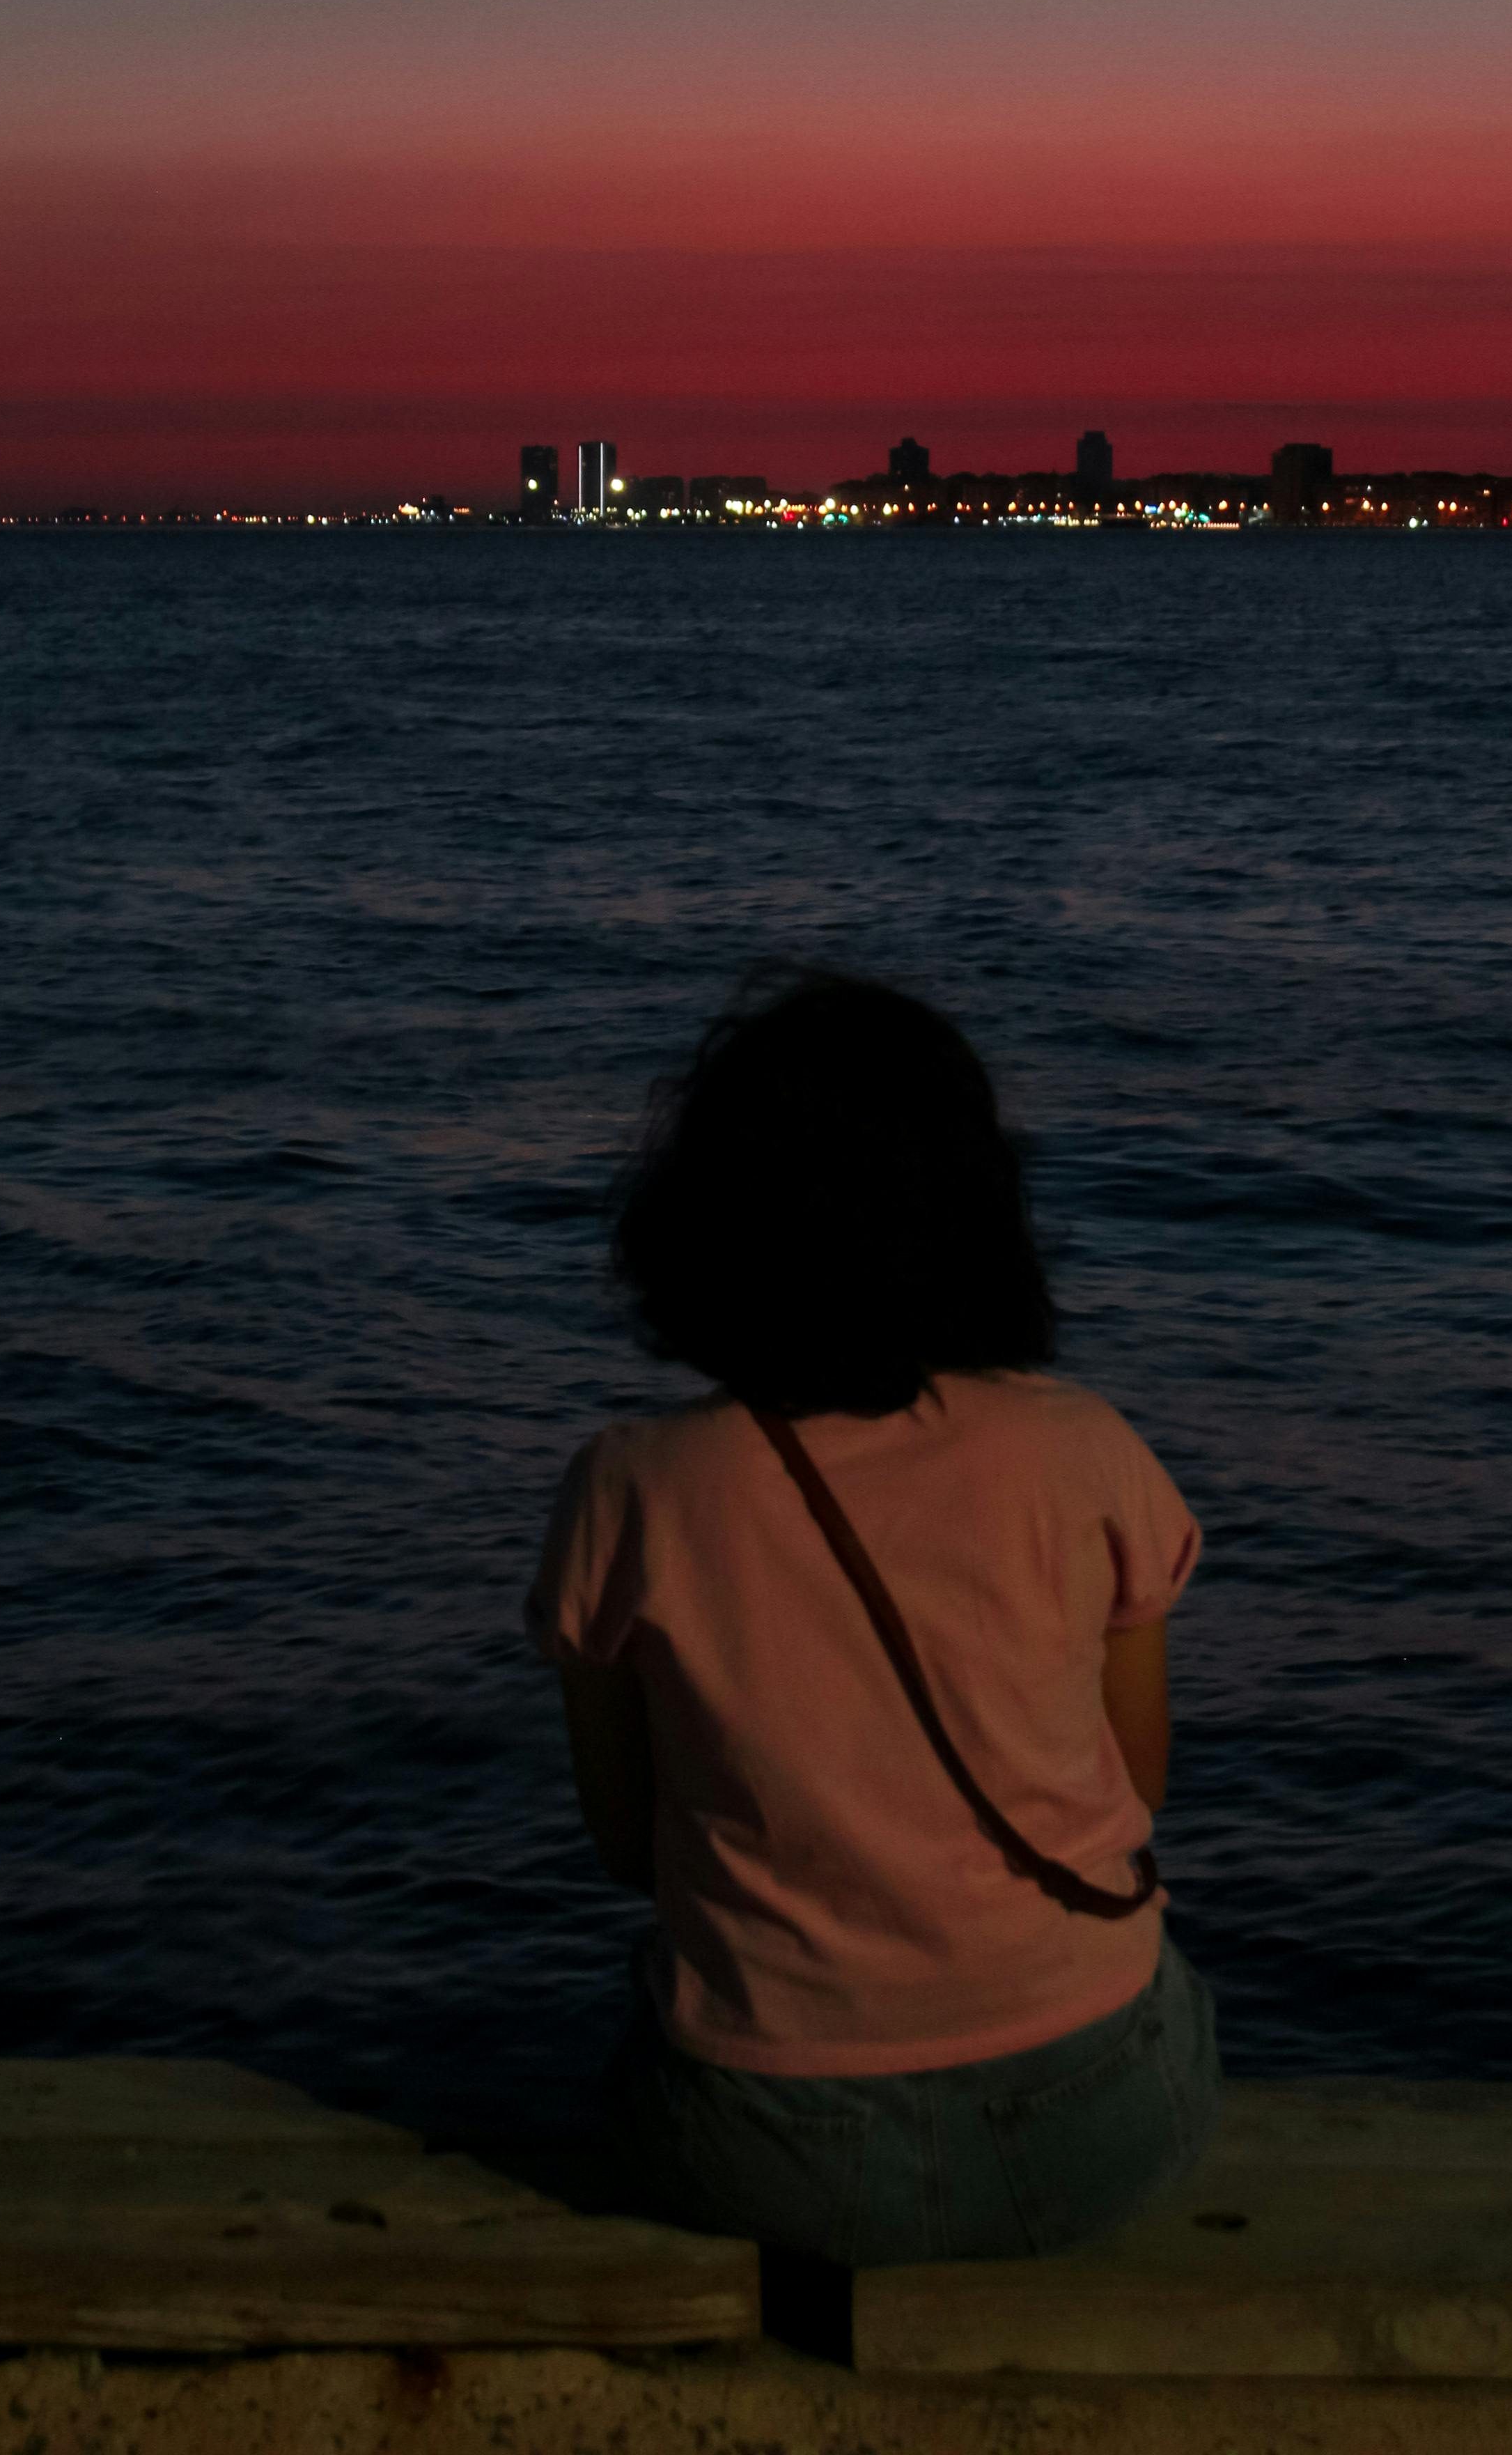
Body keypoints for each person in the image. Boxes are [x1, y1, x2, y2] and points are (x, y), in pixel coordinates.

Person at [527, 970, 1218, 2268]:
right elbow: (1140, 1782)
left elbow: (632, 1848)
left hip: (773, 2154)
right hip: (1106, 2128)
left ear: (705, 1221)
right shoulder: (1088, 1455)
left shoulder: (632, 1489)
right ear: (973, 1211)